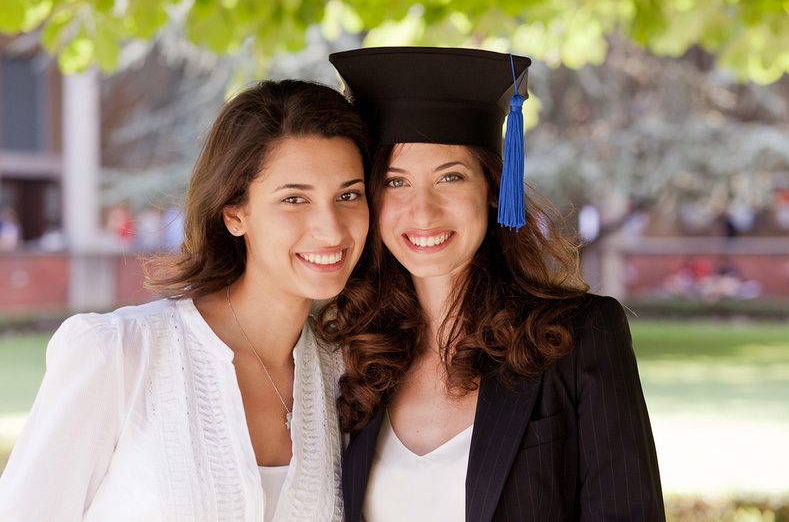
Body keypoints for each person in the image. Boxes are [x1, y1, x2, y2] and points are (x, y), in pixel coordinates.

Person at [0, 79, 370, 522]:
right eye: (294, 199)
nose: (331, 229)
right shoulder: (118, 354)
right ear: (235, 214)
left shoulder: (347, 374)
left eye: (349, 195)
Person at [323, 47, 665, 521]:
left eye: (450, 177)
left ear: (492, 188)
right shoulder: (351, 352)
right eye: (396, 182)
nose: (423, 211)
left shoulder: (576, 337)